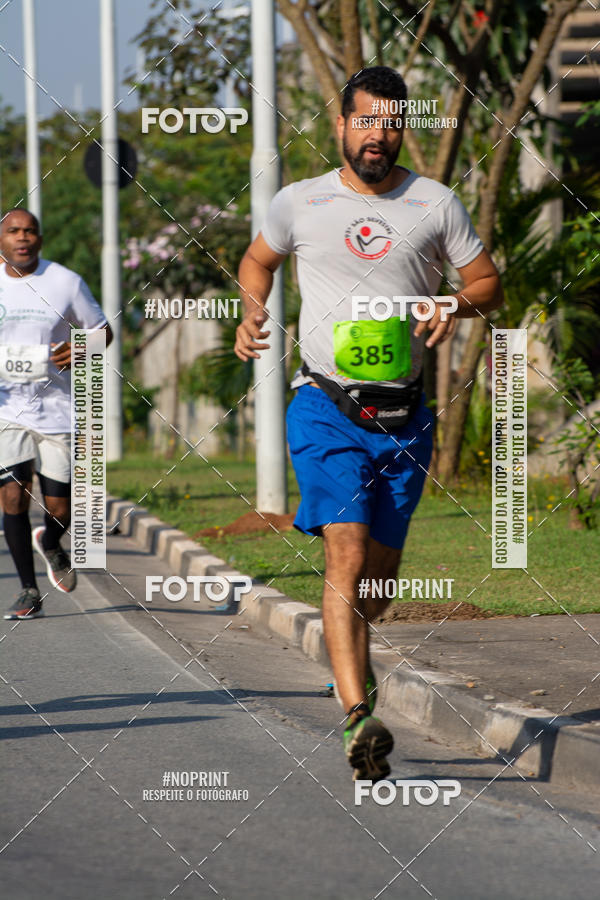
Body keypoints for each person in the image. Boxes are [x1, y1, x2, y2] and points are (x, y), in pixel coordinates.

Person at [235, 67, 503, 781]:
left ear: (402, 129)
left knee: (378, 583)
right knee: (346, 555)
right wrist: (251, 307)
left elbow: (488, 283)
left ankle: (349, 664)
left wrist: (455, 305)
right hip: (325, 406)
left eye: (390, 124)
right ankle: (359, 718)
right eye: (365, 122)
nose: (377, 136)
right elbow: (257, 261)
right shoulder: (300, 202)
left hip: (405, 420)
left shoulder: (434, 203)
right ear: (341, 126)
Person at [0, 208, 112, 620]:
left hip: (58, 409)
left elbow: (103, 330)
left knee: (59, 508)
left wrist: (84, 349)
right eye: (13, 231)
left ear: (40, 240)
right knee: (12, 495)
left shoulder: (65, 282)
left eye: (30, 231)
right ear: (1, 241)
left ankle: (50, 541)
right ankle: (29, 591)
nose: (22, 238)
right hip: (6, 409)